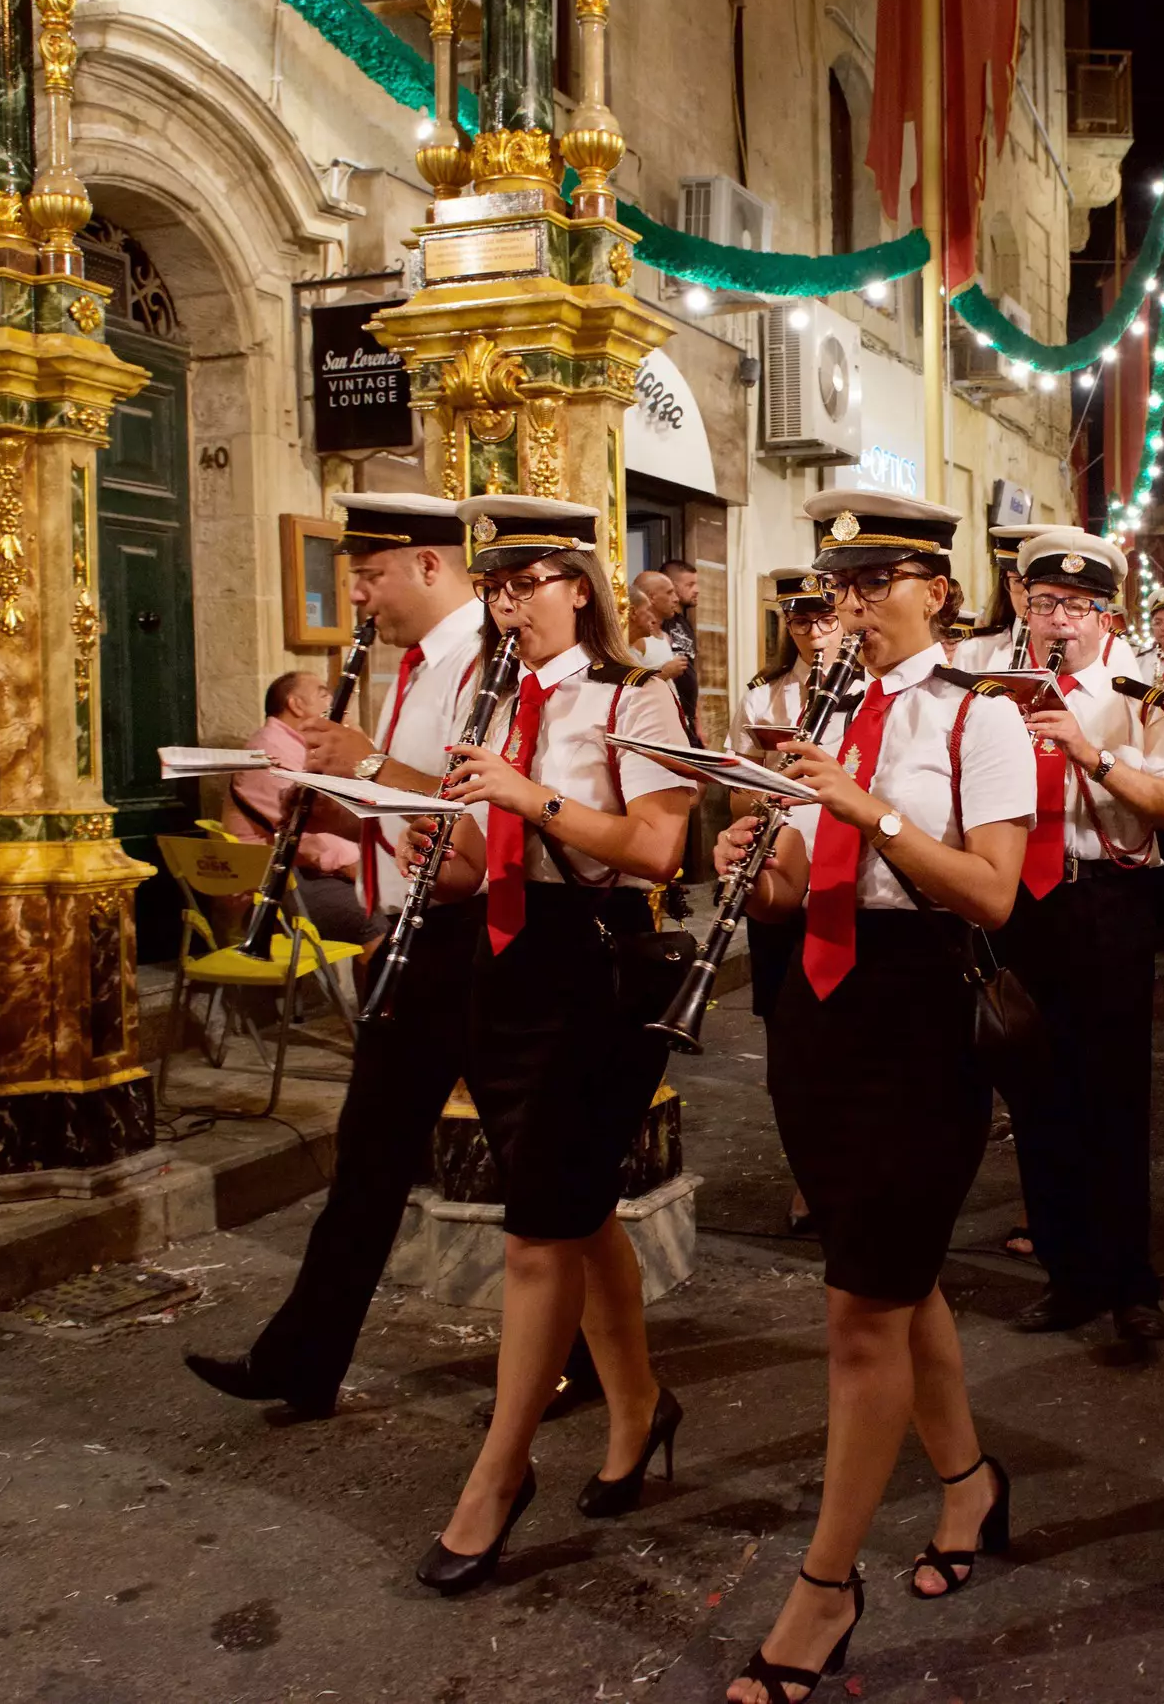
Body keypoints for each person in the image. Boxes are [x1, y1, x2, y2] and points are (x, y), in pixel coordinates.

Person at [715, 489, 1034, 1704]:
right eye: (832, 589)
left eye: (871, 584)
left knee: (860, 1309)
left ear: (935, 591)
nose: (845, 608)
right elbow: (799, 887)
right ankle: (969, 1483)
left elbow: (993, 895)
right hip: (815, 1007)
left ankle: (821, 1589)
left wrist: (871, 810)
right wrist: (756, 859)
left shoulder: (979, 720)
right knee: (889, 1279)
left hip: (917, 1019)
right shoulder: (811, 712)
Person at [408, 495, 697, 1596]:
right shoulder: (491, 694)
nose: (509, 601)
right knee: (575, 1210)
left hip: (596, 971)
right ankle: (638, 1405)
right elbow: (482, 857)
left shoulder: (637, 696)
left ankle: (498, 1475)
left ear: (581, 585)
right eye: (496, 584)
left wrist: (533, 797)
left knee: (536, 1231)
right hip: (503, 959)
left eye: (529, 580)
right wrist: (399, 812)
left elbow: (659, 849)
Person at [185, 492, 486, 1418]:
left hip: (476, 940)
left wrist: (358, 769)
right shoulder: (414, 667)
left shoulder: (484, 662)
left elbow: (474, 819)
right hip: (407, 933)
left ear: (430, 566)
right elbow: (406, 819)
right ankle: (303, 1357)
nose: (358, 595)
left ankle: (607, 1369)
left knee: (543, 1172)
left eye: (370, 574)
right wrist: (339, 806)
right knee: (370, 1156)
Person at [995, 530, 1164, 1345]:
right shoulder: (996, 690)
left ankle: (1129, 1280)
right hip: (1022, 904)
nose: (1058, 621)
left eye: (1075, 606)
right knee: (1036, 1097)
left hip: (1105, 902)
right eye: (1044, 604)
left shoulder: (1134, 690)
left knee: (1113, 1096)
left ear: (1104, 614)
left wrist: (1092, 753)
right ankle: (1067, 1274)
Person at [731, 567, 856, 1236]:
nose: (814, 631)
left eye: (826, 617)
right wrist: (763, 786)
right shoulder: (765, 695)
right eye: (802, 621)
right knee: (787, 1043)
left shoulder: (870, 693)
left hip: (844, 877)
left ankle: (852, 1172)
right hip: (783, 876)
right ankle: (807, 1176)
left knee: (847, 1040)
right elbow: (733, 787)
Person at [222, 671, 386, 956]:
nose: (333, 701)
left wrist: (359, 746)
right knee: (379, 922)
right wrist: (370, 877)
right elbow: (313, 835)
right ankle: (377, 1001)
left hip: (303, 875)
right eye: (323, 693)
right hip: (274, 886)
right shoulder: (269, 752)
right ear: (296, 705)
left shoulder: (294, 745)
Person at [956, 525, 1040, 668]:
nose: (1027, 595)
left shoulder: (1083, 655)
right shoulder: (975, 652)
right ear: (1005, 585)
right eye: (1018, 581)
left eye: (1038, 582)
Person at [638, 563, 702, 742]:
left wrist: (696, 721)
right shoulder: (637, 639)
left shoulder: (670, 632)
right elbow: (627, 689)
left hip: (679, 720)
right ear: (652, 597)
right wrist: (665, 672)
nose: (674, 599)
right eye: (669, 592)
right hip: (652, 727)